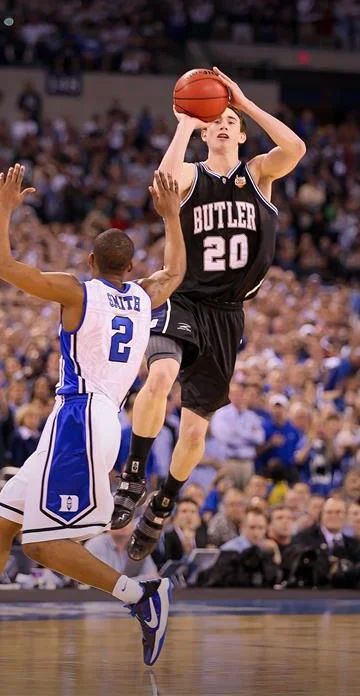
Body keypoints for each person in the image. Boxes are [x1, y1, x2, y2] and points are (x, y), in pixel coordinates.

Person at [0, 164, 186, 666]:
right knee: (0, 523)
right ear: (130, 267)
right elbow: (175, 270)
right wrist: (171, 217)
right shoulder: (145, 295)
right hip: (89, 419)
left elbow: (1, 263)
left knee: (44, 546)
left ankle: (141, 597)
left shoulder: (76, 289)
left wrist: (3, 208)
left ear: (90, 260)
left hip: (81, 418)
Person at [111, 67, 306, 561]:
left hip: (227, 314)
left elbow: (296, 149)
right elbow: (165, 180)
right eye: (213, 120)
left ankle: (164, 501)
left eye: (229, 122)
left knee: (196, 430)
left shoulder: (258, 173)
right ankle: (134, 473)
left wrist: (242, 102)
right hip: (183, 296)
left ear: (240, 131)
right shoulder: (192, 174)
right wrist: (184, 122)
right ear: (204, 130)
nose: (221, 125)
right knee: (158, 378)